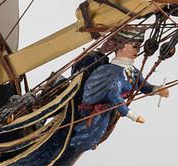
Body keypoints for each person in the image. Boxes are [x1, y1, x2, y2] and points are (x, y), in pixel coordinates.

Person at [71, 27, 169, 155]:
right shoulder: (110, 71)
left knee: (101, 135)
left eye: (138, 46)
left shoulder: (132, 71)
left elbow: (143, 86)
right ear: (121, 47)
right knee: (88, 139)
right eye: (134, 46)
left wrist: (157, 90)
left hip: (110, 112)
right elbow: (114, 95)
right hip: (95, 114)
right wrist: (132, 115)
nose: (138, 50)